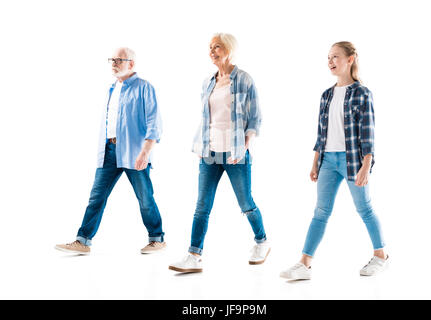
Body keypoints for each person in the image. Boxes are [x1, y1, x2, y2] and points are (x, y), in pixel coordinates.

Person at [280, 41, 388, 280]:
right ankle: (304, 264)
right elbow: (321, 133)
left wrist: (366, 165)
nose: (330, 61)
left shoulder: (362, 93)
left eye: (336, 57)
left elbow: (368, 133)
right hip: (328, 160)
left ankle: (380, 256)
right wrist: (315, 161)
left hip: (352, 161)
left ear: (350, 59)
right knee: (320, 211)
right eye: (328, 57)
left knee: (364, 208)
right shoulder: (326, 95)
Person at [169, 33, 270, 273]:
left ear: (229, 49)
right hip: (209, 153)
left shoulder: (244, 79)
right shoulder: (208, 82)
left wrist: (244, 148)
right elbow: (207, 118)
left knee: (246, 203)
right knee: (202, 206)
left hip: (235, 153)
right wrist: (201, 145)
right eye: (210, 47)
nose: (212, 51)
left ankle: (262, 241)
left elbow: (255, 118)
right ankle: (193, 255)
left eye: (217, 47)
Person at [55, 47, 165, 255]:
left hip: (134, 152)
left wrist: (145, 152)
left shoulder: (144, 87)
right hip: (109, 151)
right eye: (112, 60)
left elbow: (154, 122)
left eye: (118, 60)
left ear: (131, 63)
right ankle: (83, 241)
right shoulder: (112, 88)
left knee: (145, 198)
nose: (113, 63)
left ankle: (157, 238)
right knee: (96, 197)